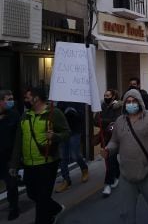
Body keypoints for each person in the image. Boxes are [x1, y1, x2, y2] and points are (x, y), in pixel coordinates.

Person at [102, 89, 148, 224]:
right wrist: (108, 150)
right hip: (126, 174)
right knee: (126, 212)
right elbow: (115, 141)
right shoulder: (120, 121)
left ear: (139, 102)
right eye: (128, 101)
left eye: (134, 101)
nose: (131, 104)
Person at [10, 88, 70, 224]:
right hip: (29, 164)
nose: (25, 101)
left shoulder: (54, 113)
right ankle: (55, 209)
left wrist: (55, 136)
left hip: (47, 163)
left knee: (42, 201)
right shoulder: (25, 116)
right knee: (32, 194)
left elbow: (67, 133)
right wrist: (14, 164)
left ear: (36, 98)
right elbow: (18, 141)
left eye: (27, 98)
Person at [55, 102, 89, 193]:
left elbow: (82, 116)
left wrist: (74, 113)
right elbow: (57, 114)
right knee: (62, 157)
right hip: (62, 131)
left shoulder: (78, 100)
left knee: (75, 154)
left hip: (75, 130)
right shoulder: (61, 101)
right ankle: (66, 180)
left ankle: (84, 168)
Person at [94, 89, 122, 196]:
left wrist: (103, 121)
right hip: (104, 136)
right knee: (111, 159)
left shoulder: (118, 107)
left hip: (114, 137)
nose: (106, 97)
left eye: (108, 95)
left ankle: (107, 184)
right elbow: (96, 120)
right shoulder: (102, 106)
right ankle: (117, 173)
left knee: (109, 160)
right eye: (105, 95)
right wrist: (106, 121)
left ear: (113, 96)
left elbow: (116, 120)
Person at [0, 90, 20, 221]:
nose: (11, 101)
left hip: (9, 158)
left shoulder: (14, 115)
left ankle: (14, 208)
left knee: (11, 185)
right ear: (1, 101)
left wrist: (16, 159)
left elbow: (18, 138)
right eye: (9, 99)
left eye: (12, 98)